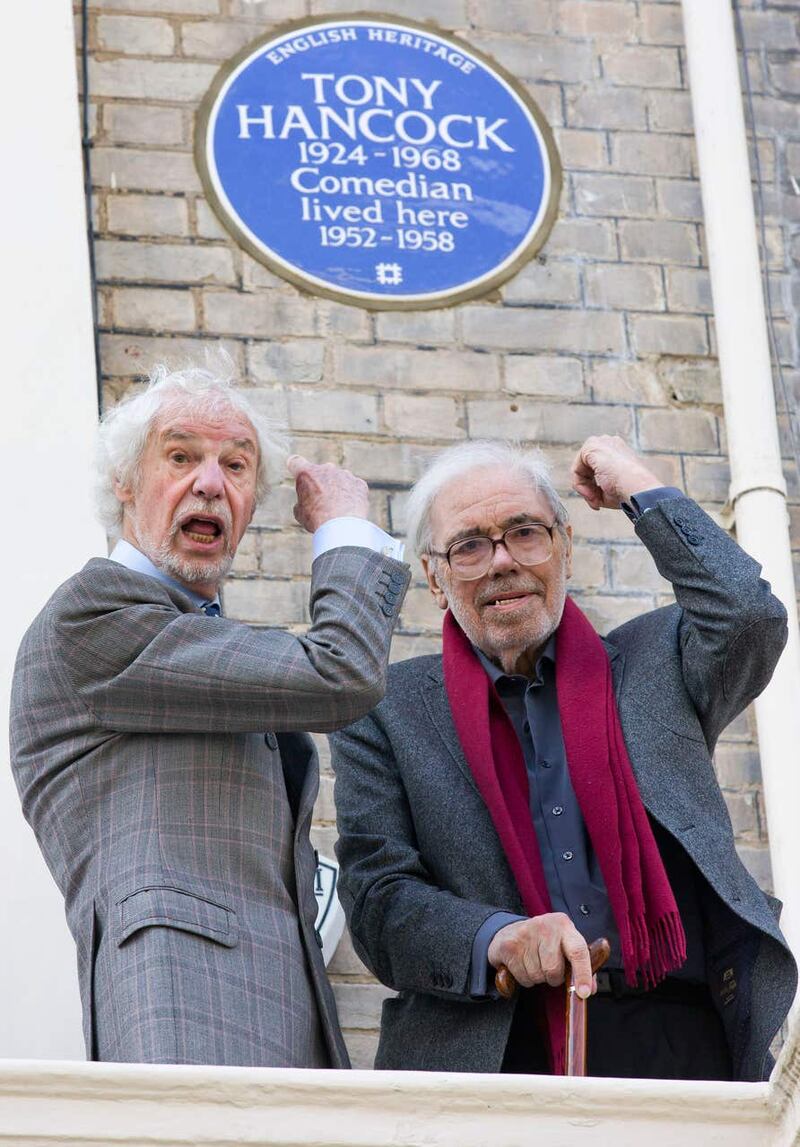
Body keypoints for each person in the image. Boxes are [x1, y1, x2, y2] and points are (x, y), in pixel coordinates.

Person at [331, 434, 796, 1081]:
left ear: (566, 546)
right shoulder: (387, 709)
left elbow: (750, 616)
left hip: (681, 1042)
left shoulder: (655, 662)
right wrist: (497, 936)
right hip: (495, 1054)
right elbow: (379, 898)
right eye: (469, 545)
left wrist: (639, 485)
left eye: (525, 532)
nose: (501, 562)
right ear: (436, 578)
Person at [10, 363, 410, 1068]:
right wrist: (345, 530)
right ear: (125, 483)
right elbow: (341, 668)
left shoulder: (194, 636)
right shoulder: (95, 613)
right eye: (181, 455)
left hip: (281, 1018)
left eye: (236, 464)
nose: (210, 482)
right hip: (181, 1009)